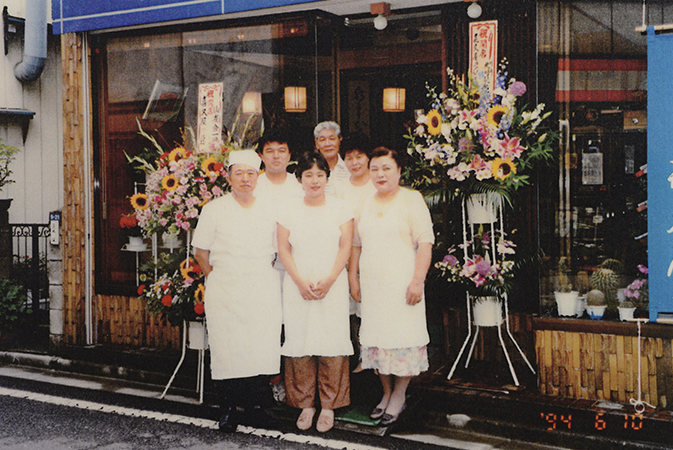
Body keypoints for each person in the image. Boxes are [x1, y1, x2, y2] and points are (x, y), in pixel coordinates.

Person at [191, 149, 282, 432]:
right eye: (239, 173)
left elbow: (280, 251)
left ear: (258, 177)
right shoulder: (214, 209)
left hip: (261, 287)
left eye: (251, 173)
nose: (245, 179)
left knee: (261, 347)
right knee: (226, 349)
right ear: (228, 176)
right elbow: (200, 251)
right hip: (225, 288)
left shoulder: (271, 208)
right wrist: (215, 277)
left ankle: (255, 407)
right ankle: (228, 410)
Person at [348, 147, 434, 426]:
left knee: (402, 339)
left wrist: (417, 280)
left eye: (386, 168)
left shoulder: (412, 199)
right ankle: (385, 393)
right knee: (378, 340)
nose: (380, 174)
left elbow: (425, 242)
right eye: (375, 169)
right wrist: (353, 277)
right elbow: (356, 245)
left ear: (399, 171)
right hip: (374, 288)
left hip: (404, 286)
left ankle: (399, 395)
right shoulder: (364, 202)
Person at [277, 152, 354, 433]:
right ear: (299, 179)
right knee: (301, 339)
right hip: (298, 283)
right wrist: (298, 281)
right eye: (308, 175)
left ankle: (329, 406)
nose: (314, 180)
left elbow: (345, 246)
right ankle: (305, 404)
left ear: (327, 177)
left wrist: (331, 279)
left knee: (331, 340)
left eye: (320, 174)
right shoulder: (288, 209)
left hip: (331, 283)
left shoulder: (341, 208)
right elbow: (283, 248)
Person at [339, 132, 376, 371]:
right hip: (346, 255)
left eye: (359, 156)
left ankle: (372, 358)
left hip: (374, 256)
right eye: (349, 157)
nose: (354, 162)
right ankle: (358, 355)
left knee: (370, 309)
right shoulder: (340, 188)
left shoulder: (378, 184)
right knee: (351, 309)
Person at [254, 127, 303, 202]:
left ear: (289, 155)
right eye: (270, 151)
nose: (276, 156)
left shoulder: (300, 186)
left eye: (281, 151)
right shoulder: (254, 186)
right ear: (261, 156)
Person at [314, 121, 350, 196]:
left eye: (332, 138)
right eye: (322, 139)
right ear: (317, 144)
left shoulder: (350, 168)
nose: (327, 144)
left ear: (340, 140)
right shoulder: (310, 170)